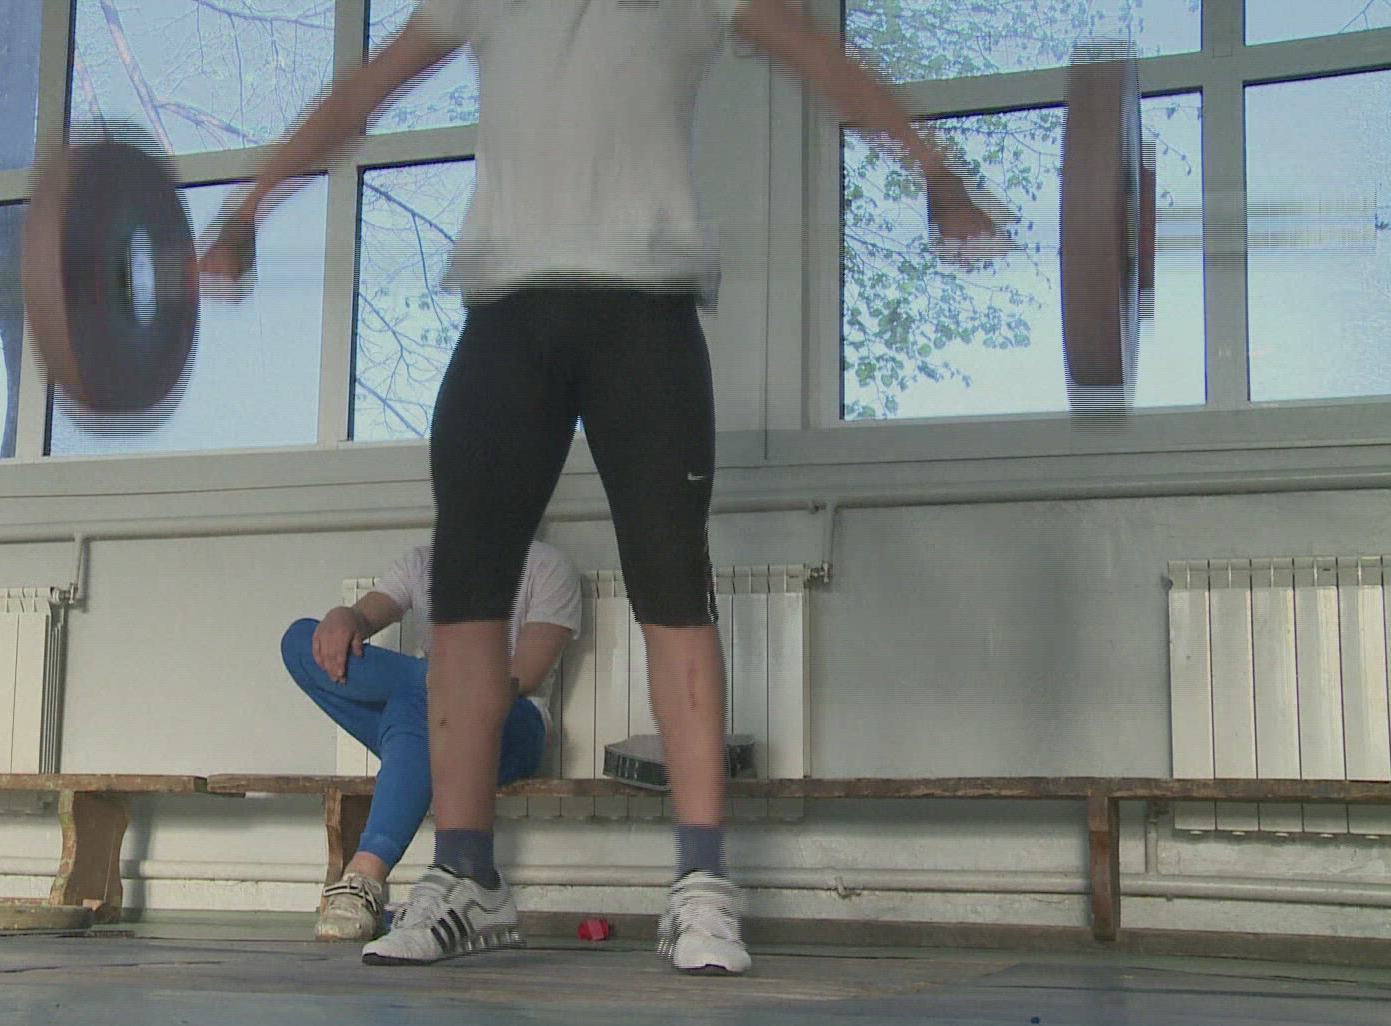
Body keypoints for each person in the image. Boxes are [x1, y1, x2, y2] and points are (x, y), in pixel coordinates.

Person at [204, 1, 1008, 974]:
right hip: (505, 319)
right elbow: (363, 94)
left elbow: (822, 60)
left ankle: (701, 888)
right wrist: (247, 208)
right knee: (464, 606)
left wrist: (934, 169)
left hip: (646, 313)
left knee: (674, 589)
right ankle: (466, 880)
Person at [280, 540, 580, 942]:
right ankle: (363, 879)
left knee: (426, 694)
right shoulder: (423, 562)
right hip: (430, 719)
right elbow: (365, 615)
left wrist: (447, 688)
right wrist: (344, 617)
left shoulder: (546, 565)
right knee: (302, 640)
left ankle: (365, 876)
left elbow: (526, 673)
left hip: (513, 725)